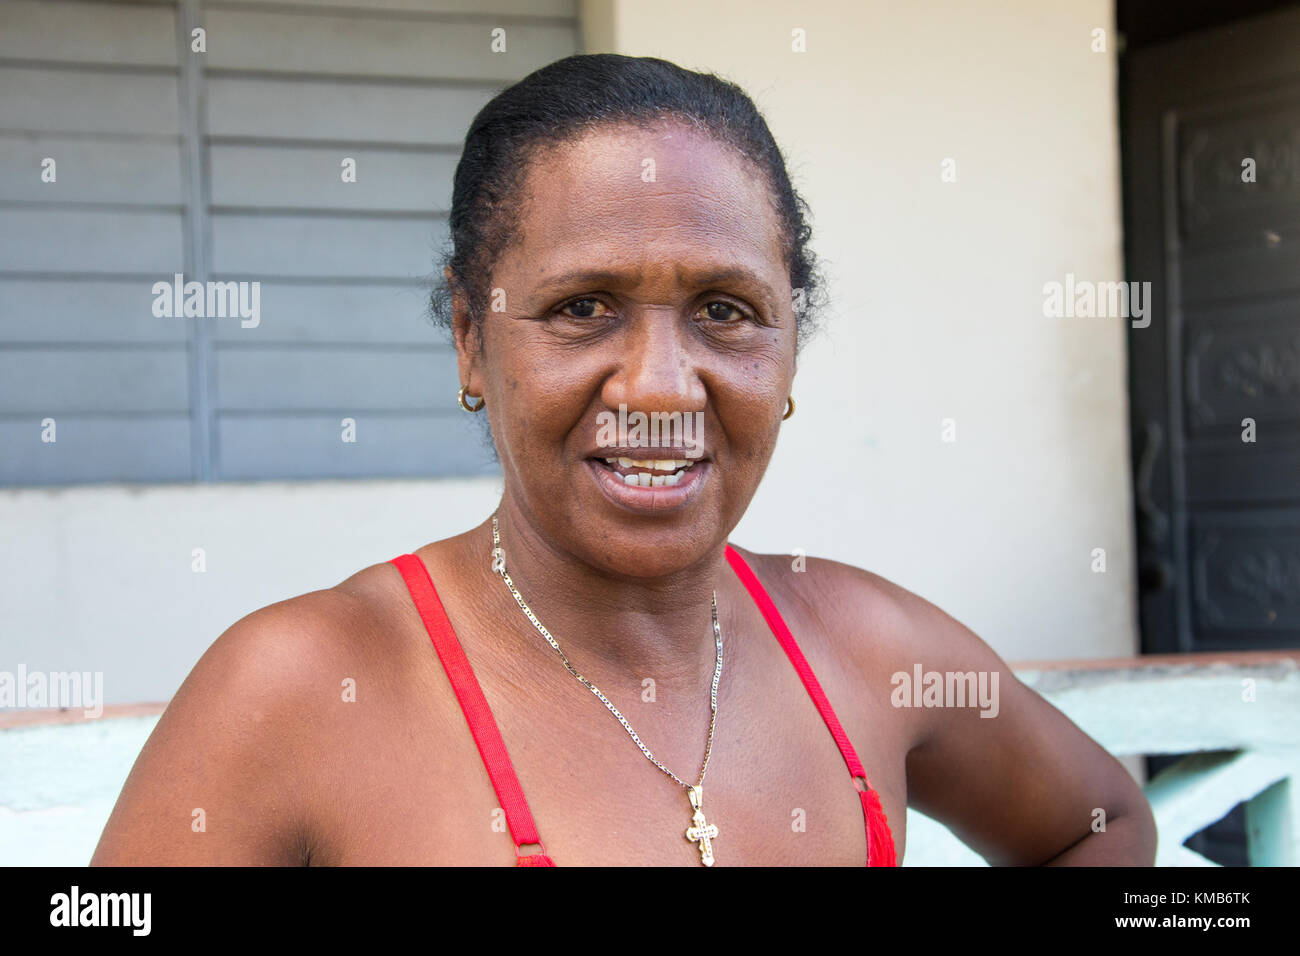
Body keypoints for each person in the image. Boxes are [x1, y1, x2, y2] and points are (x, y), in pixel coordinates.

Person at [91, 54, 1156, 866]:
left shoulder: (869, 645)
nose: (658, 385)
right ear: (471, 336)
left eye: (725, 311)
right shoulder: (301, 685)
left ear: (789, 345)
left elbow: (1102, 823)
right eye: (583, 306)